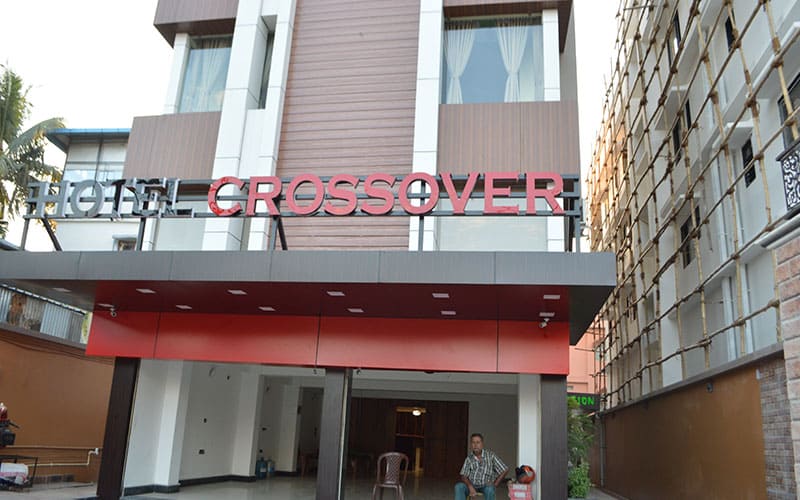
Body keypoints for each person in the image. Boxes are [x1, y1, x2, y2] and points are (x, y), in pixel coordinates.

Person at [454, 433, 508, 500]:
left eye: (478, 442)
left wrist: (495, 484)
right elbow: (463, 475)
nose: (475, 445)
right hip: (472, 484)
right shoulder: (469, 459)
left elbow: (504, 469)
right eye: (473, 442)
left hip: (486, 485)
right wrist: (470, 486)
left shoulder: (490, 456)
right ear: (471, 445)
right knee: (459, 486)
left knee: (490, 489)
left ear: (482, 444)